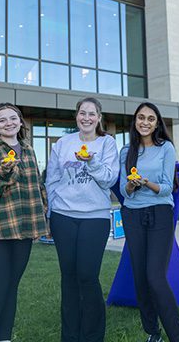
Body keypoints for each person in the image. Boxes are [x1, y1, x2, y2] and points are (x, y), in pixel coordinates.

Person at [44, 97, 119, 342]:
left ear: (99, 117)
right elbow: (52, 179)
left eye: (92, 114)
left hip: (94, 218)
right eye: (82, 113)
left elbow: (108, 180)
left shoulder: (107, 143)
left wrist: (92, 162)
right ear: (76, 116)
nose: (86, 118)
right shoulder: (63, 143)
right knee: (68, 276)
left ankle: (93, 335)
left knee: (87, 275)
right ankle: (70, 335)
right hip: (63, 216)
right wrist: (51, 212)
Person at [119, 103, 179, 342]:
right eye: (141, 117)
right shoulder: (126, 151)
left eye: (151, 118)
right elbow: (124, 190)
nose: (145, 122)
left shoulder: (166, 148)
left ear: (157, 123)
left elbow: (166, 188)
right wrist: (131, 185)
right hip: (132, 215)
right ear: (135, 121)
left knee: (155, 276)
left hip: (160, 213)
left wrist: (146, 183)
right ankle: (153, 332)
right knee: (140, 277)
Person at [0, 103, 46, 342]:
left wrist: (41, 217)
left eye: (13, 118)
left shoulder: (28, 149)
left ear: (20, 122)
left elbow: (37, 186)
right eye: (2, 120)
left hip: (23, 228)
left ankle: (4, 339)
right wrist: (4, 173)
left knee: (11, 289)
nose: (8, 123)